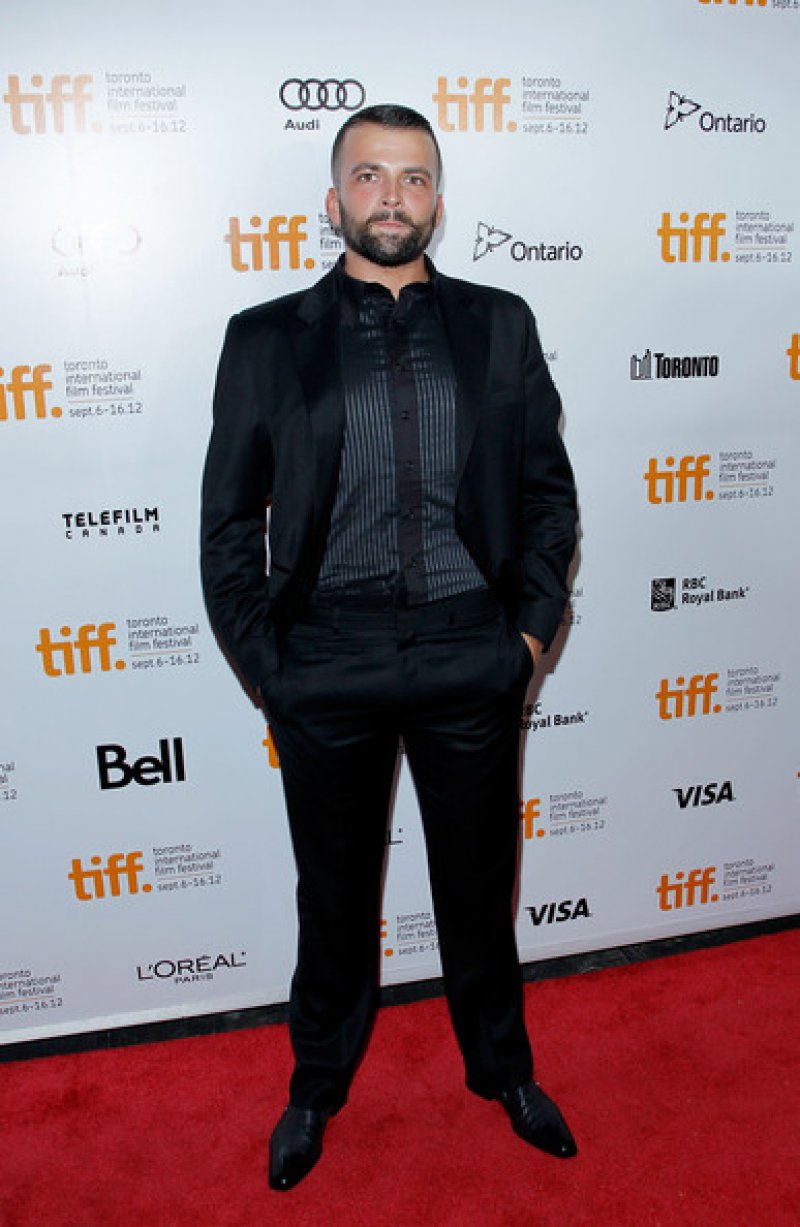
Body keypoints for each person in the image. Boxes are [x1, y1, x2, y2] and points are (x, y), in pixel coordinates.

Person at [201, 103, 579, 1192]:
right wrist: (267, 667)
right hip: (325, 659)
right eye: (369, 175)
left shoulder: (501, 323)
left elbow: (547, 497)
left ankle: (503, 1071)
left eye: (412, 177)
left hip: (471, 650)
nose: (391, 195)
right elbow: (227, 523)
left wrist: (525, 638)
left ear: (437, 204)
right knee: (332, 900)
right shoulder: (264, 338)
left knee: (479, 890)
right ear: (333, 201)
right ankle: (314, 1086)